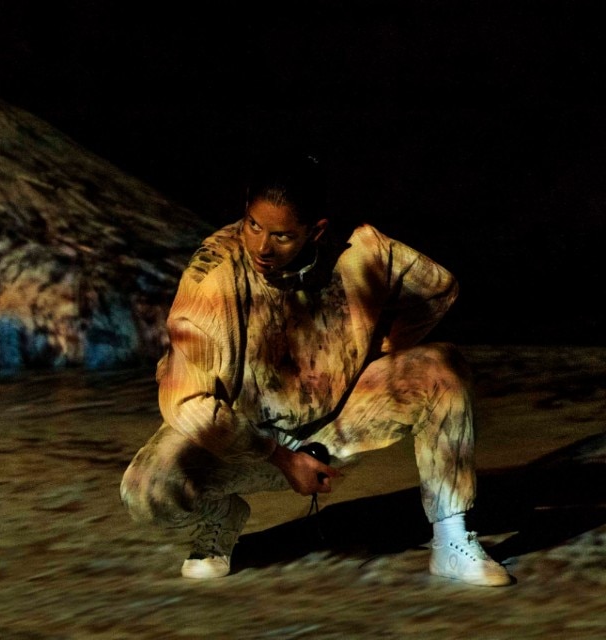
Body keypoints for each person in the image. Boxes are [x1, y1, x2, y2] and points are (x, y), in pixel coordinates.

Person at [119, 156, 513, 587]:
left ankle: (451, 539)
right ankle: (221, 515)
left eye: (282, 235)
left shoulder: (360, 249)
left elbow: (437, 288)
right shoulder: (213, 277)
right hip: (247, 439)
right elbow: (189, 402)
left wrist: (377, 349)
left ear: (316, 230)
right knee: (147, 490)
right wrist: (281, 457)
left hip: (337, 421)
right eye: (253, 226)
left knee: (441, 370)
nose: (262, 247)